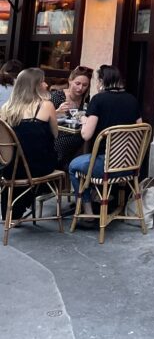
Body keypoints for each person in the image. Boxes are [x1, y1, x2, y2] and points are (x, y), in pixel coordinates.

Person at [69, 65, 141, 227]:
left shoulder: (98, 100)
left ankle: (88, 213)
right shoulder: (132, 99)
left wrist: (83, 120)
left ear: (102, 81)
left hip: (105, 166)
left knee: (74, 166)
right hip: (130, 166)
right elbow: (139, 129)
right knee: (87, 162)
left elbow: (86, 135)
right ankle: (99, 198)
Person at [0, 68, 58, 221]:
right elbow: (55, 135)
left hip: (9, 168)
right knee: (60, 159)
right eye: (43, 81)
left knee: (28, 155)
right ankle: (33, 198)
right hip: (36, 167)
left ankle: (17, 208)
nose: (46, 85)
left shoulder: (6, 108)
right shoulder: (46, 105)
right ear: (36, 85)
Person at [50, 67, 93, 170]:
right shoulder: (58, 96)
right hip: (59, 140)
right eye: (77, 84)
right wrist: (57, 112)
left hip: (79, 141)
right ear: (70, 81)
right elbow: (43, 119)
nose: (80, 88)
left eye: (85, 85)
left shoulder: (85, 98)